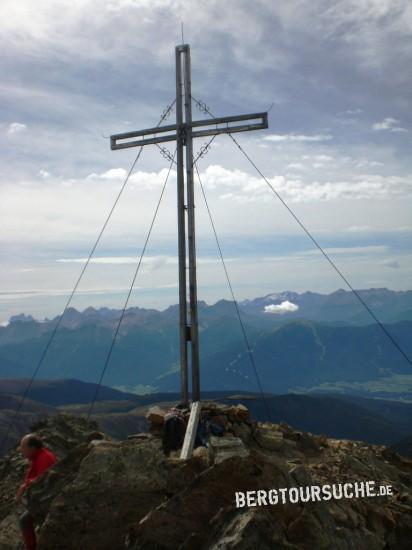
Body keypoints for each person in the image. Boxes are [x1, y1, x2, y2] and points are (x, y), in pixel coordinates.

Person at [15, 434, 56, 550]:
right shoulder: (40, 456)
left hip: (47, 499)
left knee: (24, 520)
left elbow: (41, 480)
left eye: (23, 447)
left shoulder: (44, 458)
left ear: (32, 448)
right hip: (45, 496)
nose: (21, 450)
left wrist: (23, 487)